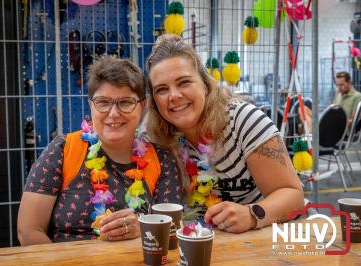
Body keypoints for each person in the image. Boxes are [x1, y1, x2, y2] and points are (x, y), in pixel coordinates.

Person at [145, 34, 304, 233]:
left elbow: (294, 196)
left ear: (205, 84)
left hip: (276, 237)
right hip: (209, 243)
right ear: (154, 101)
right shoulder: (157, 139)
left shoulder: (243, 120)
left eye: (184, 82)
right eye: (161, 89)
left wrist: (252, 214)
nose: (174, 96)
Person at [17, 57, 184, 245]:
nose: (113, 113)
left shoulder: (161, 160)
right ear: (90, 104)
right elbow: (29, 231)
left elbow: (174, 230)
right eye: (103, 102)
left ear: (142, 106)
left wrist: (144, 227)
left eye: (126, 102)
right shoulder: (63, 150)